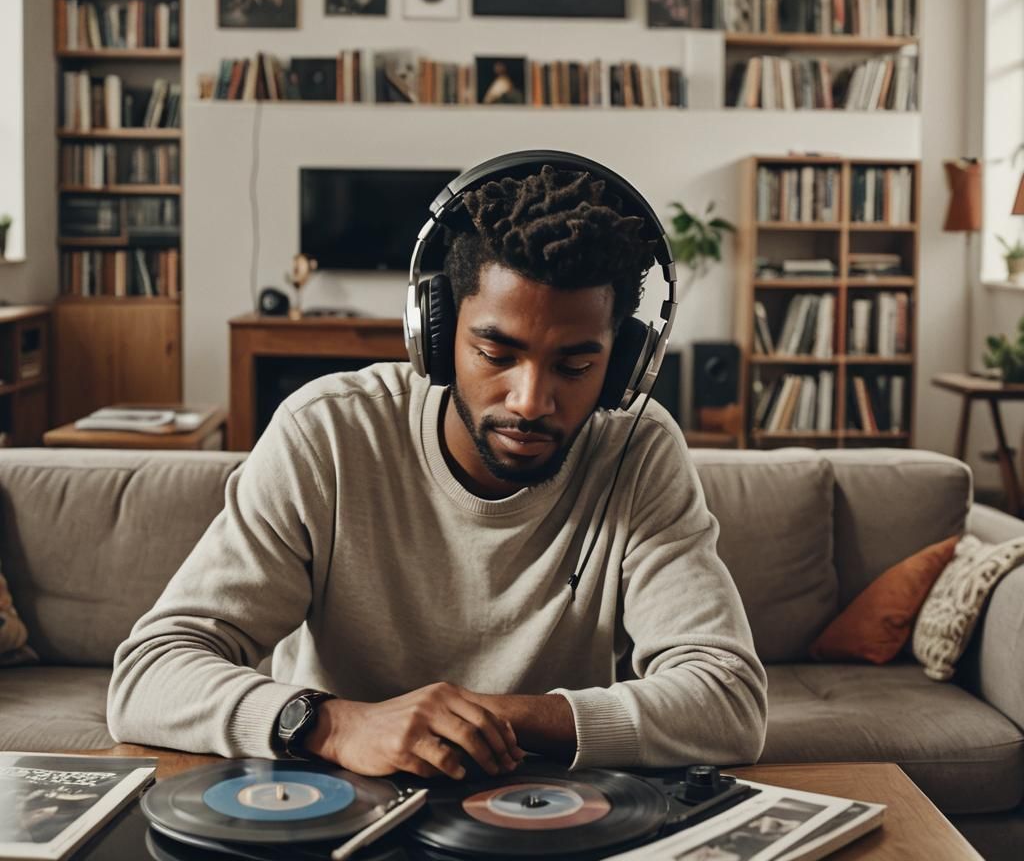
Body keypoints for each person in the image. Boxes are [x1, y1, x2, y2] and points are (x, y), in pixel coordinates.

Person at [108, 158, 766, 781]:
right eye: (495, 352)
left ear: (625, 366)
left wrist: (481, 720)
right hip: (328, 810)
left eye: (575, 365)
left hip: (543, 821)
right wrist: (335, 727)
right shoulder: (327, 433)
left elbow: (728, 700)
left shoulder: (638, 451)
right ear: (436, 334)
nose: (531, 401)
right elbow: (150, 674)